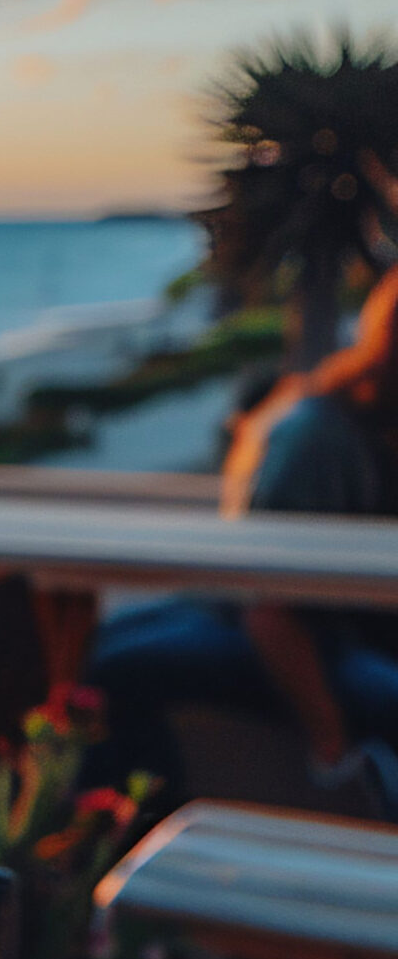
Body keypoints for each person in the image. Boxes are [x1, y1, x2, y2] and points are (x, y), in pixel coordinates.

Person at [86, 267, 398, 811]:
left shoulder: (360, 425)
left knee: (113, 655)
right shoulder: (318, 437)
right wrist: (331, 743)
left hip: (321, 627)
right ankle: (134, 832)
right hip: (297, 633)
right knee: (109, 662)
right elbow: (267, 605)